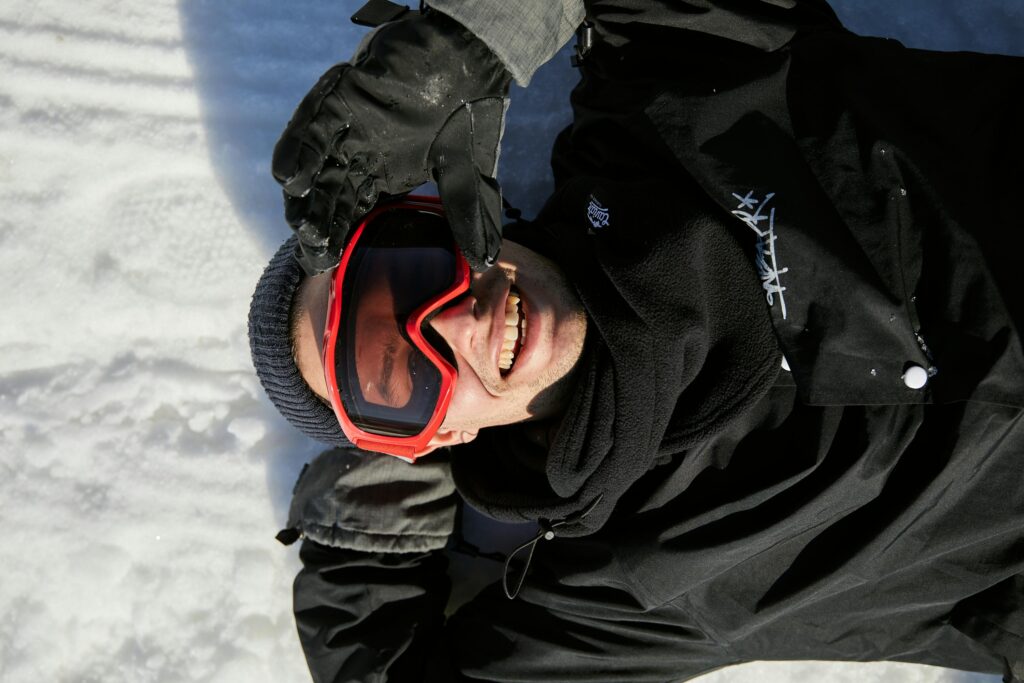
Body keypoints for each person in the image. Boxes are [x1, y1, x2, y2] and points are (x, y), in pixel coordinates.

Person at [247, 0, 1024, 680]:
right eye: (396, 373)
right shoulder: (626, 583)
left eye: (411, 273)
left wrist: (465, 39)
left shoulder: (666, 108)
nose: (454, 322)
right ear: (437, 437)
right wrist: (368, 532)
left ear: (445, 216)